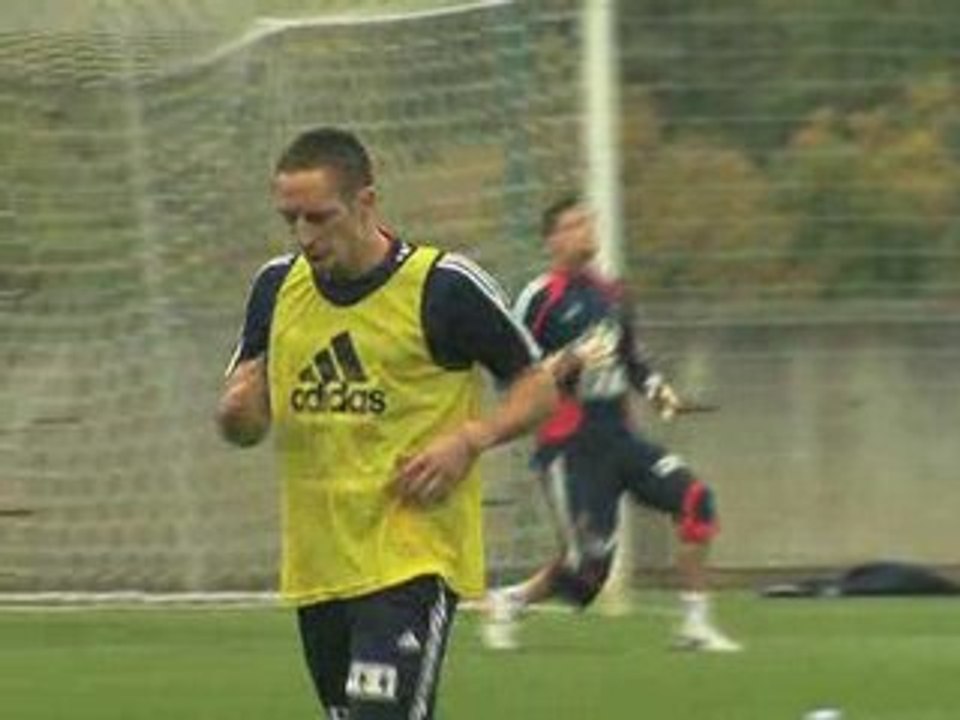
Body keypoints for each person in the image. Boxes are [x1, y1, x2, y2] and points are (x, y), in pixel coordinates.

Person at [216, 127, 603, 720]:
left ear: (366, 202)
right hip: (319, 566)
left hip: (410, 559)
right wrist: (237, 416)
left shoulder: (443, 287)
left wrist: (471, 439)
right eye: (291, 219)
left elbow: (538, 388)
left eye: (320, 217)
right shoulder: (275, 287)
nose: (305, 236)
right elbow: (247, 421)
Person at [482, 194, 741, 653]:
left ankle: (695, 627)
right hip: (570, 448)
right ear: (553, 239)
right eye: (576, 224)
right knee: (588, 570)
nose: (588, 231)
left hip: (620, 439)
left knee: (697, 501)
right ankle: (509, 601)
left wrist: (661, 393)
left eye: (590, 222)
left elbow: (633, 360)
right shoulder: (540, 298)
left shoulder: (614, 294)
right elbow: (516, 374)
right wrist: (569, 361)